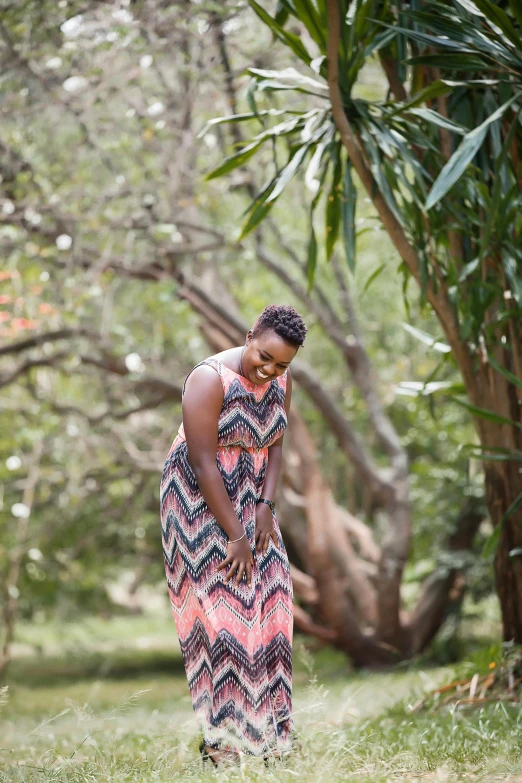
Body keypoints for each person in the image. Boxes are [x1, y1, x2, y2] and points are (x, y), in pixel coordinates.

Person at [159, 304, 307, 765]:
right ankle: (223, 745)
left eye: (281, 364)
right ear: (249, 336)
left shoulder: (281, 378)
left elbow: (276, 444)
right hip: (200, 503)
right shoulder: (208, 379)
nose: (269, 370)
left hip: (252, 500)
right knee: (223, 619)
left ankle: (271, 738)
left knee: (273, 605)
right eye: (264, 357)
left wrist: (265, 507)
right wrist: (237, 536)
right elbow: (202, 464)